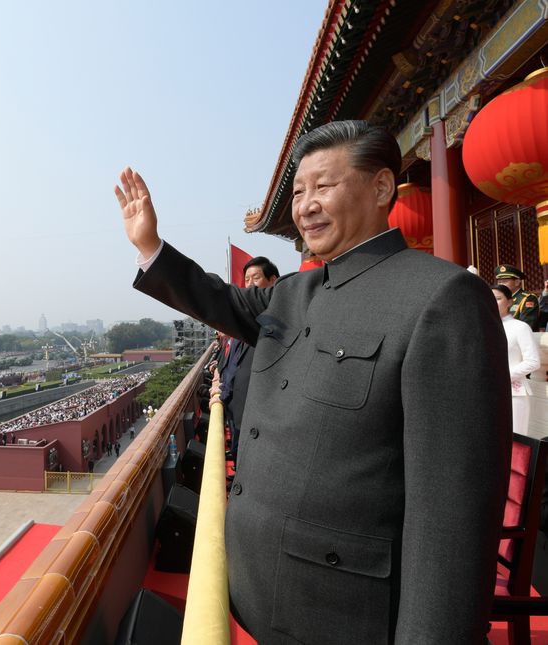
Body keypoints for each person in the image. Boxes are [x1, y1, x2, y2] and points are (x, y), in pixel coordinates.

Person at [114, 120, 511, 644]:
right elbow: (216, 299)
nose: (305, 206)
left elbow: (450, 515)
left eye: (323, 186)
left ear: (381, 188)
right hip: (257, 590)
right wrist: (151, 245)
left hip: (340, 612)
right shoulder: (292, 293)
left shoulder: (441, 298)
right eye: (299, 192)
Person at [218, 257, 279, 466]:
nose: (250, 284)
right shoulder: (245, 321)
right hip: (237, 410)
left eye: (256, 278)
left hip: (260, 417)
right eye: (246, 279)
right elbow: (233, 363)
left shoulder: (280, 322)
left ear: (273, 280)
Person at [493, 284, 541, 435]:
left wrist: (504, 377)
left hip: (514, 393)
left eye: (498, 298)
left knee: (515, 439)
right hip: (488, 391)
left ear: (509, 301)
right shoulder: (484, 328)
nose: (493, 302)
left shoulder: (520, 327)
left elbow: (533, 361)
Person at [495, 265, 539, 331]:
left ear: (517, 282)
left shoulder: (528, 298)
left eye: (504, 281)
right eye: (499, 282)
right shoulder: (498, 299)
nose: (501, 285)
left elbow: (527, 325)